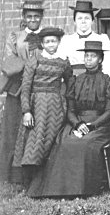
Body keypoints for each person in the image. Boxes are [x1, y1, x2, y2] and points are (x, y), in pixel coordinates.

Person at [27, 41, 110, 198]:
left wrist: (92, 125)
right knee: (64, 142)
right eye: (86, 56)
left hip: (100, 125)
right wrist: (78, 124)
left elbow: (109, 112)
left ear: (100, 59)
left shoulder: (108, 82)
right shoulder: (76, 81)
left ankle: (82, 188)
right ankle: (57, 189)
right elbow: (71, 110)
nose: (88, 59)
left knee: (85, 143)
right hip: (76, 122)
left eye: (93, 56)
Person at [12, 27, 72, 171]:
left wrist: (64, 101)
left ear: (58, 42)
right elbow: (26, 87)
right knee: (35, 140)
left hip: (55, 107)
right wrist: (26, 111)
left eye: (54, 41)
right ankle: (30, 176)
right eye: (47, 42)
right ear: (42, 44)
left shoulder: (64, 62)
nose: (51, 44)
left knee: (51, 139)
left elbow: (70, 83)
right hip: (36, 106)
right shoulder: (34, 60)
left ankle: (48, 177)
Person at [0, 1, 45, 184]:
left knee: (35, 130)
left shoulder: (47, 36)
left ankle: (34, 173)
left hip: (39, 88)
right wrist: (30, 66)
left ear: (41, 17)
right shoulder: (15, 37)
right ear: (24, 18)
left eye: (36, 16)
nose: (33, 20)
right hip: (17, 89)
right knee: (13, 130)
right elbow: (9, 61)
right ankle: (12, 175)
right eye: (29, 16)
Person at [59, 0, 110, 79]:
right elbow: (61, 65)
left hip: (96, 79)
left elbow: (109, 65)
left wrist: (106, 82)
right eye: (79, 18)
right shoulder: (66, 40)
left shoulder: (102, 39)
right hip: (72, 80)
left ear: (92, 21)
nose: (83, 21)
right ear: (74, 21)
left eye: (87, 18)